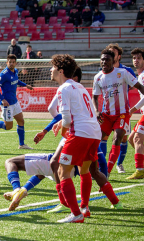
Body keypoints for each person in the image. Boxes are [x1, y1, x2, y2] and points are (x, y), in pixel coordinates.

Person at [46, 54, 101, 223]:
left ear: (61, 71)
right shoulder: (79, 86)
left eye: (53, 67)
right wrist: (63, 123)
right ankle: (84, 207)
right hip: (94, 133)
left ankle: (76, 214)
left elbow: (68, 120)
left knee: (63, 171)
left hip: (81, 133)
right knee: (84, 171)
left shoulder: (63, 89)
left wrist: (63, 130)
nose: (51, 70)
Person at [92, 49, 144, 178]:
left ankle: (107, 172)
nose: (104, 62)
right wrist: (97, 111)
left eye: (107, 59)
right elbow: (95, 96)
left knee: (118, 138)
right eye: (102, 59)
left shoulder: (122, 73)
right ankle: (97, 166)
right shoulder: (97, 77)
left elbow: (139, 86)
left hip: (122, 114)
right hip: (106, 114)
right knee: (97, 139)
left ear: (113, 60)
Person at [0, 54, 33, 149]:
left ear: (16, 63)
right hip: (7, 104)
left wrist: (26, 85)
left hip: (15, 102)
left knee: (21, 121)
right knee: (8, 126)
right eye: (10, 62)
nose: (11, 64)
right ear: (6, 62)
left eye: (13, 62)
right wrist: (2, 99)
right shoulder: (4, 74)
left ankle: (22, 144)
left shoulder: (15, 71)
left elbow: (16, 81)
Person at [127, 48, 144, 179]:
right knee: (131, 138)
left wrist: (133, 109)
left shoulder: (143, 76)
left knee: (137, 138)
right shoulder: (140, 75)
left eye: (138, 58)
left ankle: (139, 170)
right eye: (134, 58)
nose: (136, 60)